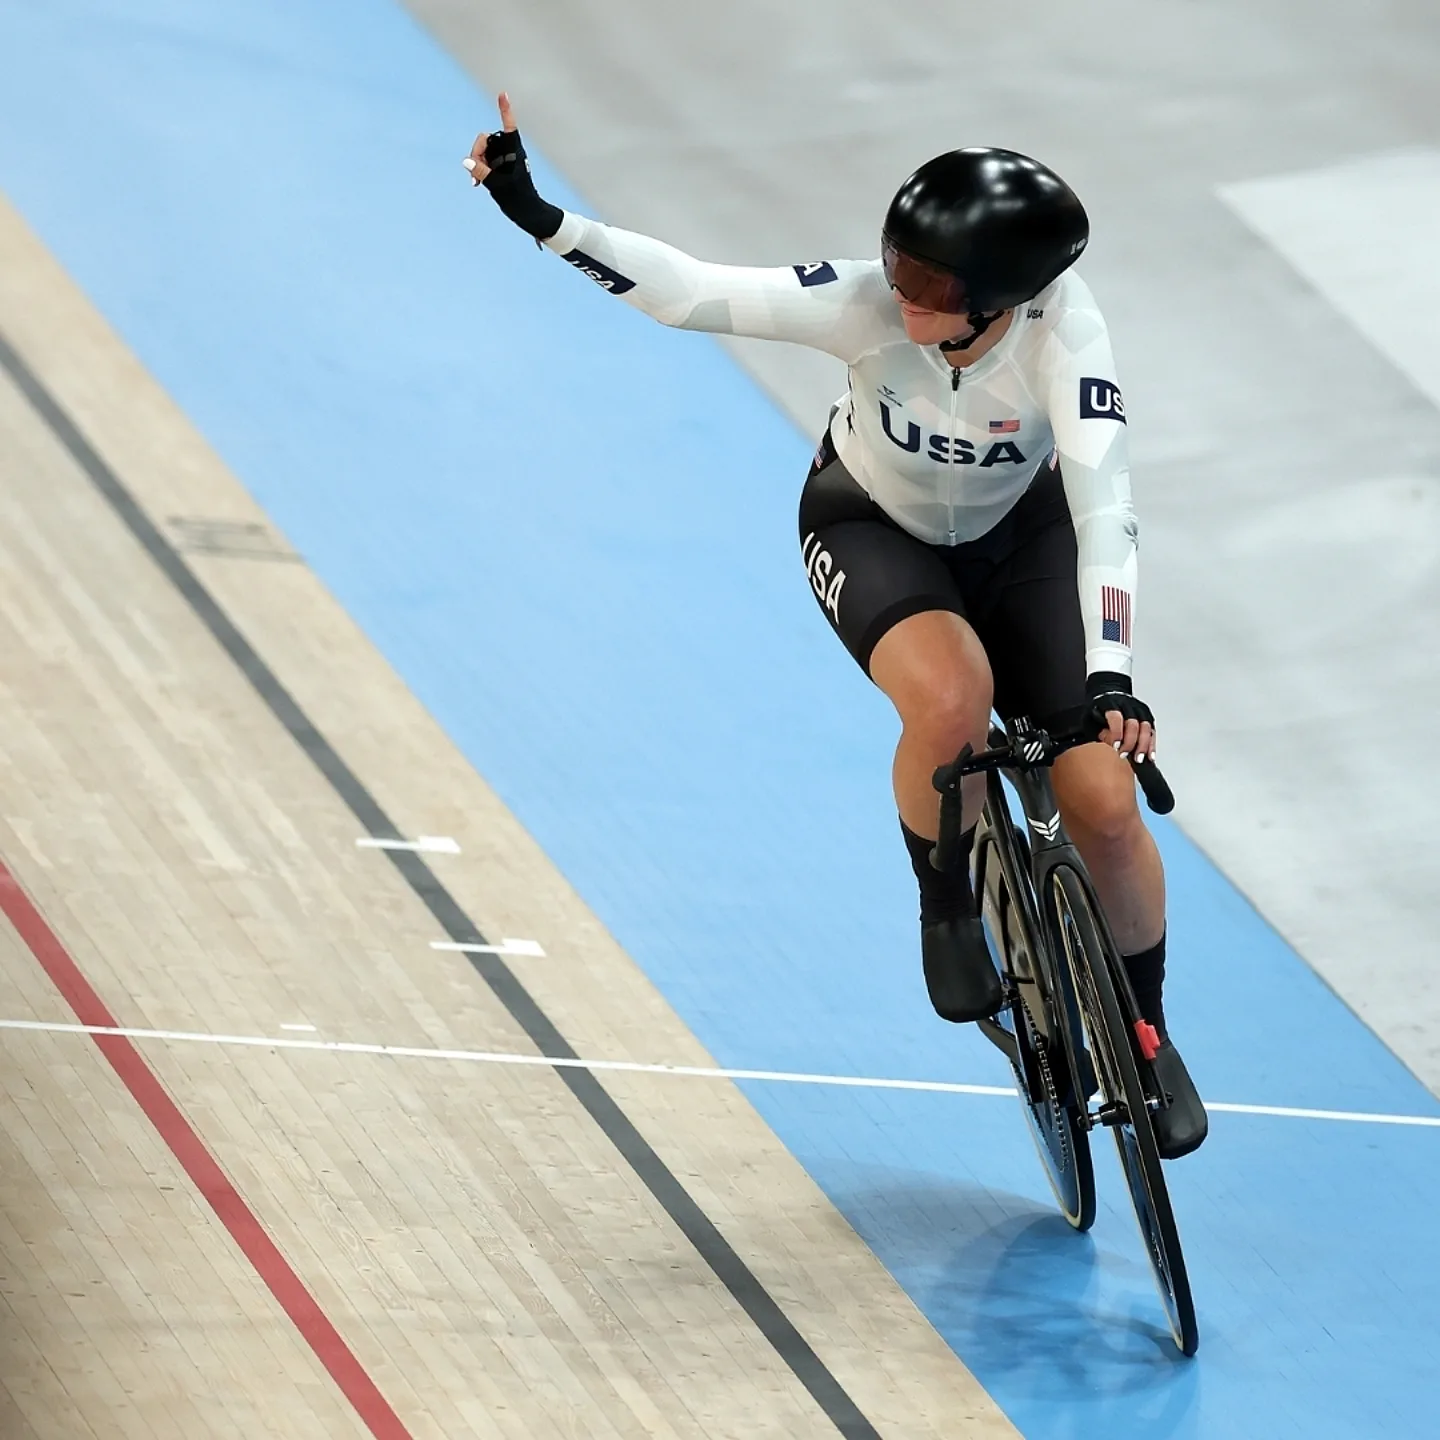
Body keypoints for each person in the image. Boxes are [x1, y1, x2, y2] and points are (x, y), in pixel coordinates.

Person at [464, 95, 1207, 1158]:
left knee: (1108, 804)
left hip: (1025, 542)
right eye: (896, 263)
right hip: (871, 526)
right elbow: (691, 293)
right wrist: (544, 218)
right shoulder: (867, 306)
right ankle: (945, 904)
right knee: (952, 701)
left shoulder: (1067, 338)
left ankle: (1148, 1033)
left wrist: (1113, 678)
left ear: (999, 298)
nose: (899, 290)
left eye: (928, 284)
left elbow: (1106, 511)